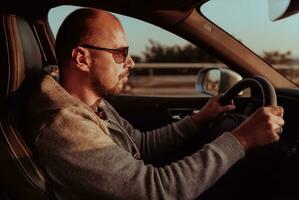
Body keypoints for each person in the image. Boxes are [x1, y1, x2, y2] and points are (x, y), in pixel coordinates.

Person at [25, 8, 284, 200]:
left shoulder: (92, 102)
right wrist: (241, 140)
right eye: (120, 53)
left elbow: (139, 144)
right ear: (82, 58)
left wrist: (200, 118)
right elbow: (156, 191)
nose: (130, 63)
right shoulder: (64, 126)